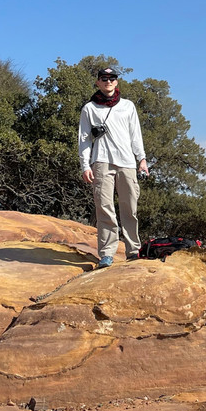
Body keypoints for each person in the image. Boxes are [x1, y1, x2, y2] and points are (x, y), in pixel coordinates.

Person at [78, 66, 149, 268]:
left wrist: (141, 159)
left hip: (126, 161)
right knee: (104, 208)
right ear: (98, 82)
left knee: (130, 208)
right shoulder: (89, 109)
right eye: (104, 78)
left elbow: (136, 135)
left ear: (117, 82)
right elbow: (84, 140)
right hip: (100, 161)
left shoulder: (128, 106)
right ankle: (107, 254)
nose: (108, 81)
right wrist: (85, 165)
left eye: (112, 78)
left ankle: (133, 250)